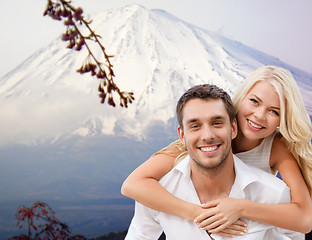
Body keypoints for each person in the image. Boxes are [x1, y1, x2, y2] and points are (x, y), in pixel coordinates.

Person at [121, 66, 312, 238]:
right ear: (241, 98)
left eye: (274, 112)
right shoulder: (197, 144)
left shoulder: (276, 147)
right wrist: (199, 215)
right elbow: (132, 184)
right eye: (254, 101)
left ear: (282, 120)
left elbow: (304, 219)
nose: (259, 115)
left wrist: (241, 207)